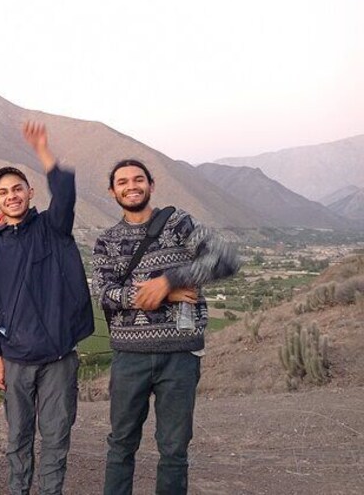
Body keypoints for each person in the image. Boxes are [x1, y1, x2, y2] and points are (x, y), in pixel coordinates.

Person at [91, 159, 241, 495]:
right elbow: (104, 292)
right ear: (112, 191)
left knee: (174, 450)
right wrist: (161, 293)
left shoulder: (180, 224)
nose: (132, 186)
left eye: (138, 179)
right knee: (121, 445)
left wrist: (172, 278)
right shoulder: (107, 241)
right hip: (130, 357)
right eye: (123, 181)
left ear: (151, 185)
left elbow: (227, 258)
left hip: (180, 355)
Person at [0, 121, 94, 495]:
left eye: (17, 189)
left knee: (56, 438)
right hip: (16, 360)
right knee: (17, 439)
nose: (11, 196)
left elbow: (66, 196)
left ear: (30, 192)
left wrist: (42, 149)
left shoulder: (53, 228)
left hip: (59, 355)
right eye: (3, 192)